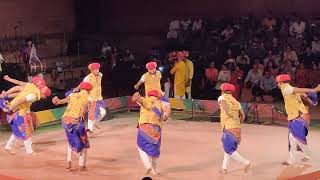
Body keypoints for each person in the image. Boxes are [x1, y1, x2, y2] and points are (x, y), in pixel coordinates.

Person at [276, 74, 320, 165]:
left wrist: (314, 90)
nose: (277, 85)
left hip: (299, 117)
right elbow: (304, 95)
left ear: (282, 82)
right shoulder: (291, 88)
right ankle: (298, 157)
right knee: (293, 139)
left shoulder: (286, 88)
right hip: (299, 116)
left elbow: (303, 91)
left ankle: (304, 155)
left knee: (295, 138)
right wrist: (312, 102)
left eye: (278, 83)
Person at [0, 81, 51, 154]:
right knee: (26, 132)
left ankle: (8, 146)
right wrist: (10, 108)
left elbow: (17, 88)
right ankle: (29, 151)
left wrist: (6, 94)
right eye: (45, 96)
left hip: (15, 113)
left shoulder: (30, 87)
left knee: (17, 131)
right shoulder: (34, 96)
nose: (44, 97)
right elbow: (21, 100)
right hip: (18, 114)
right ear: (43, 94)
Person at [52, 82, 92, 171]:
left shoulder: (72, 95)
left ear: (80, 88)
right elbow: (84, 108)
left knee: (71, 140)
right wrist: (80, 118)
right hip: (76, 120)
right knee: (84, 141)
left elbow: (58, 102)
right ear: (89, 90)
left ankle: (68, 161)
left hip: (65, 120)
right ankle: (81, 165)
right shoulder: (88, 97)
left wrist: (56, 100)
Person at [132, 90, 171, 175]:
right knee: (154, 152)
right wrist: (165, 116)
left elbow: (141, 101)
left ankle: (147, 165)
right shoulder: (160, 103)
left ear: (149, 95)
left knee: (140, 146)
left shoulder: (146, 99)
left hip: (144, 127)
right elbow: (167, 111)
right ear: (157, 96)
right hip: (156, 129)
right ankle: (154, 171)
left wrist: (137, 98)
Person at [218, 83, 251, 174]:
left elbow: (226, 108)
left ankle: (246, 163)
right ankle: (224, 168)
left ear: (223, 91)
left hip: (228, 127)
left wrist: (228, 113)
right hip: (237, 128)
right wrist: (237, 122)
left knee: (229, 150)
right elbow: (243, 116)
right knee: (228, 148)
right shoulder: (236, 102)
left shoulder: (221, 98)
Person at [73, 63, 106, 133]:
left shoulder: (100, 74)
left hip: (99, 98)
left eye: (98, 69)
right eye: (95, 70)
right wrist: (77, 88)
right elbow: (82, 84)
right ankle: (90, 129)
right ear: (92, 71)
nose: (97, 71)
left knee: (103, 112)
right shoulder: (88, 78)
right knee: (91, 114)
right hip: (92, 98)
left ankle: (96, 123)